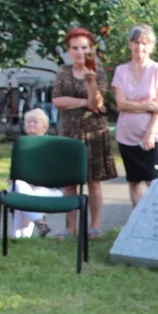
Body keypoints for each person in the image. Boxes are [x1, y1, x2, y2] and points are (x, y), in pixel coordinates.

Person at [52, 26, 116, 238]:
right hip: (69, 134)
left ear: (91, 49)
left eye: (84, 48)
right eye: (75, 48)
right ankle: (70, 228)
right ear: (69, 50)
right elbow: (58, 101)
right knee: (70, 183)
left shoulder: (97, 72)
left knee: (94, 182)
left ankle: (95, 226)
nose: (80, 52)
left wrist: (90, 83)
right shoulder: (63, 71)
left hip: (93, 133)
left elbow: (97, 103)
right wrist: (84, 103)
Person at [112, 24, 158, 209]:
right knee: (134, 181)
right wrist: (147, 105)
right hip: (127, 136)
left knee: (153, 181)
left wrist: (149, 133)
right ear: (130, 45)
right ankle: (136, 220)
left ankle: (153, 219)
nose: (140, 47)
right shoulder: (121, 71)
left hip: (152, 134)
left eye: (145, 43)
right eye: (136, 43)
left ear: (152, 46)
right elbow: (121, 103)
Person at [8, 108, 63, 238]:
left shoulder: (50, 146)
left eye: (35, 122)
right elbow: (14, 174)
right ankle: (40, 223)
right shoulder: (20, 145)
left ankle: (20, 239)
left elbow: (54, 175)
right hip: (26, 187)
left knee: (21, 195)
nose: (31, 124)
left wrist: (31, 181)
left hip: (50, 190)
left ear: (44, 126)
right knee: (19, 187)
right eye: (28, 122)